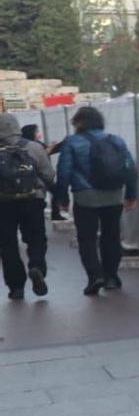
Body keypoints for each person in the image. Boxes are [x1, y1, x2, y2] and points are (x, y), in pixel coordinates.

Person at [56, 106, 136, 297]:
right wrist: (131, 195)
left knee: (87, 239)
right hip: (114, 195)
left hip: (86, 197)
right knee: (112, 236)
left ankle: (95, 276)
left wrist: (63, 199)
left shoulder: (72, 142)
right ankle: (111, 277)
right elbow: (131, 169)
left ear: (79, 123)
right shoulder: (116, 140)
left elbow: (64, 173)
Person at [0, 113, 55, 300]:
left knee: (7, 245)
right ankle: (36, 267)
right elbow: (48, 175)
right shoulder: (33, 147)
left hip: (3, 204)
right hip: (33, 200)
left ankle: (16, 287)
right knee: (36, 238)